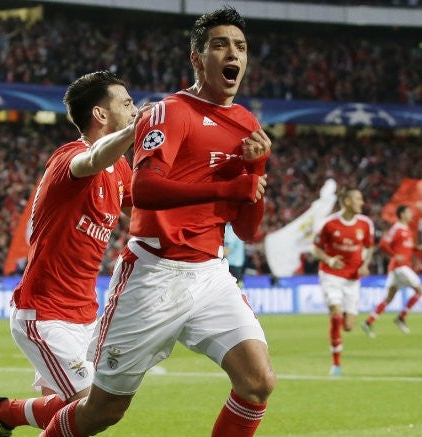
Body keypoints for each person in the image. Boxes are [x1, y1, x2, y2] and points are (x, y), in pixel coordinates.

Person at [42, 7, 275, 437]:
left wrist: (257, 170)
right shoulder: (170, 112)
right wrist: (227, 189)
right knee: (103, 411)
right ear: (197, 57)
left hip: (211, 274)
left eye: (240, 47)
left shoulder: (247, 123)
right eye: (221, 45)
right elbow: (147, 189)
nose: (233, 54)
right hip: (154, 275)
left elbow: (247, 230)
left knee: (257, 383)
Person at [0, 71, 152, 437]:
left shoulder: (120, 169)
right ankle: (2, 414)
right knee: (95, 407)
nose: (135, 110)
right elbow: (90, 162)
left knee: (70, 407)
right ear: (100, 115)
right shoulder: (69, 158)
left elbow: (147, 211)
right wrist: (134, 133)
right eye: (127, 103)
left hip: (86, 316)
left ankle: (2, 414)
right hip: (45, 316)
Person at [311, 188, 375, 376]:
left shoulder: (365, 224)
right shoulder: (329, 224)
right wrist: (329, 260)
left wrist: (365, 264)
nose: (362, 202)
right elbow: (315, 249)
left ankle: (339, 321)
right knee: (337, 314)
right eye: (358, 199)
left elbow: (369, 248)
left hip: (353, 279)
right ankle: (336, 365)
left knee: (348, 326)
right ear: (347, 201)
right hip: (331, 275)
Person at [361, 204, 422, 337]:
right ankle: (401, 318)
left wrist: (418, 249)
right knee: (419, 291)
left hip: (399, 268)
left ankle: (368, 322)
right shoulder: (397, 228)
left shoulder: (407, 230)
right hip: (400, 267)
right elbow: (384, 243)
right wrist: (394, 255)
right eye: (408, 212)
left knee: (388, 298)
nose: (411, 215)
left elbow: (407, 248)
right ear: (402, 214)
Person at [224, 221, 246, 286]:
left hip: (232, 264)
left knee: (233, 287)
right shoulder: (237, 229)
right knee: (238, 285)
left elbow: (227, 250)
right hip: (238, 263)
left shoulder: (230, 230)